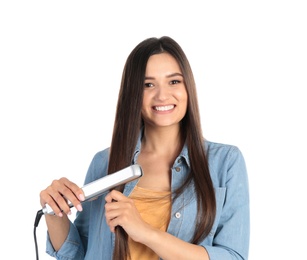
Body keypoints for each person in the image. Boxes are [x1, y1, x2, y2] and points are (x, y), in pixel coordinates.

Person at [39, 36, 250, 260]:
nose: (162, 95)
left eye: (174, 81)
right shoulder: (104, 163)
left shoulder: (225, 163)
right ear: (133, 94)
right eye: (148, 84)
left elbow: (233, 256)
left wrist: (145, 232)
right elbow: (79, 255)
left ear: (188, 87)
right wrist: (54, 212)